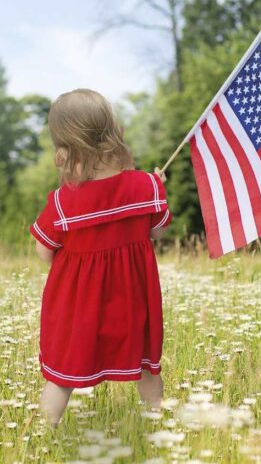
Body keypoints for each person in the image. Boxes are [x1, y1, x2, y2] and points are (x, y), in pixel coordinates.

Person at [29, 88, 172, 428]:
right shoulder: (147, 187)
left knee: (62, 376)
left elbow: (43, 249)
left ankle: (41, 436)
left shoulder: (65, 202)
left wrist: (69, 269)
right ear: (112, 133)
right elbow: (158, 233)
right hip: (132, 300)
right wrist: (158, 187)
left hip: (78, 304)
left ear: (64, 147)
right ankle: (160, 424)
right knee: (145, 366)